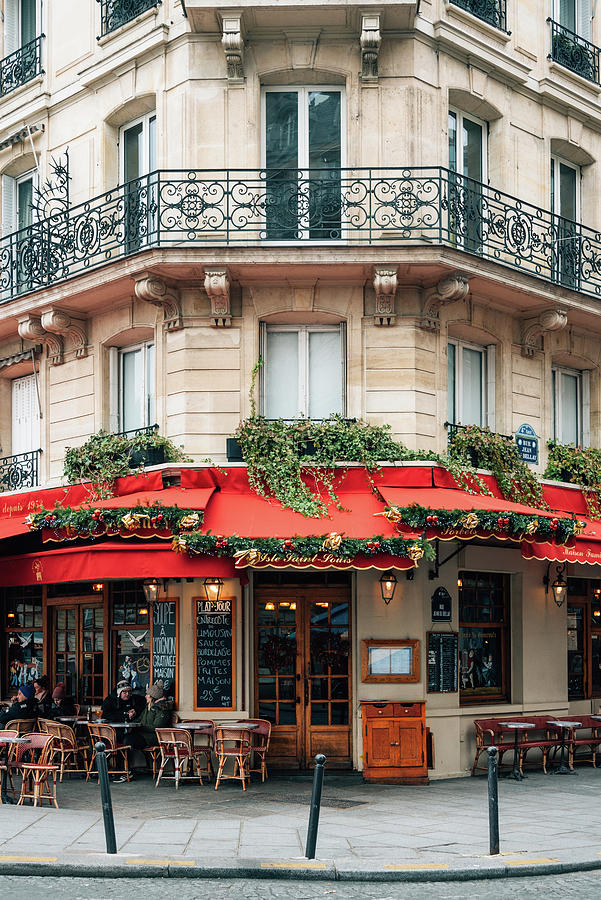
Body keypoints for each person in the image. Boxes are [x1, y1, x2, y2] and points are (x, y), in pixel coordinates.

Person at [130, 684, 171, 750]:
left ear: (153, 697)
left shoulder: (162, 709)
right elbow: (139, 719)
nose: (145, 696)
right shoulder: (148, 707)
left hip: (155, 737)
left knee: (130, 741)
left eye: (147, 694)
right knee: (125, 738)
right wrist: (130, 724)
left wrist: (140, 727)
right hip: (143, 735)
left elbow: (157, 727)